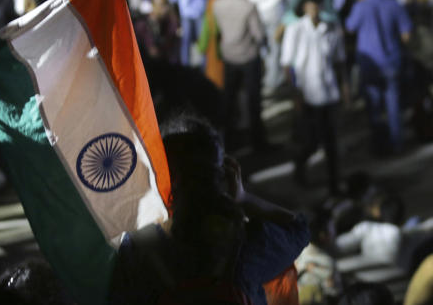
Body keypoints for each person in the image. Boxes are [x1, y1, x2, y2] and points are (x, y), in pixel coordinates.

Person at [108, 116, 309, 304]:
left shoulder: (139, 249)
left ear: (164, 176)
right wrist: (244, 198)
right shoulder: (245, 244)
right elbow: (299, 229)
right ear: (223, 173)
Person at [281, 0, 346, 193]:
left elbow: (339, 61)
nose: (313, 8)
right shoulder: (296, 30)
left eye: (316, 4)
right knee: (312, 141)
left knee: (331, 143)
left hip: (329, 92)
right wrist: (295, 94)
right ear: (304, 7)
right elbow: (287, 64)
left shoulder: (331, 30)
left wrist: (346, 90)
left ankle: (334, 185)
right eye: (309, 4)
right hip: (307, 93)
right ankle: (300, 169)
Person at [346, 0, 412, 155]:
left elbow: (350, 28)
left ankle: (379, 146)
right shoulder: (393, 4)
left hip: (370, 64)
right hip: (391, 60)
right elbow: (406, 35)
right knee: (393, 106)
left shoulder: (361, 6)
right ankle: (397, 145)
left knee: (374, 107)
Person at [213, 0, 268, 151]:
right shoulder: (248, 6)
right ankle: (257, 140)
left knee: (229, 98)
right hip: (248, 56)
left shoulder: (217, 4)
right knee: (253, 100)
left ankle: (229, 140)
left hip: (229, 56)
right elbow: (259, 35)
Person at [244, 0, 294, 93]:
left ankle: (258, 77)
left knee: (257, 44)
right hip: (275, 9)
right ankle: (272, 81)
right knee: (274, 46)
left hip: (255, 9)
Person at [133, 0, 181, 64]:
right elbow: (153, 52)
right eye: (162, 5)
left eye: (166, 4)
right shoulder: (142, 25)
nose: (165, 8)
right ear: (153, 5)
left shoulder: (168, 22)